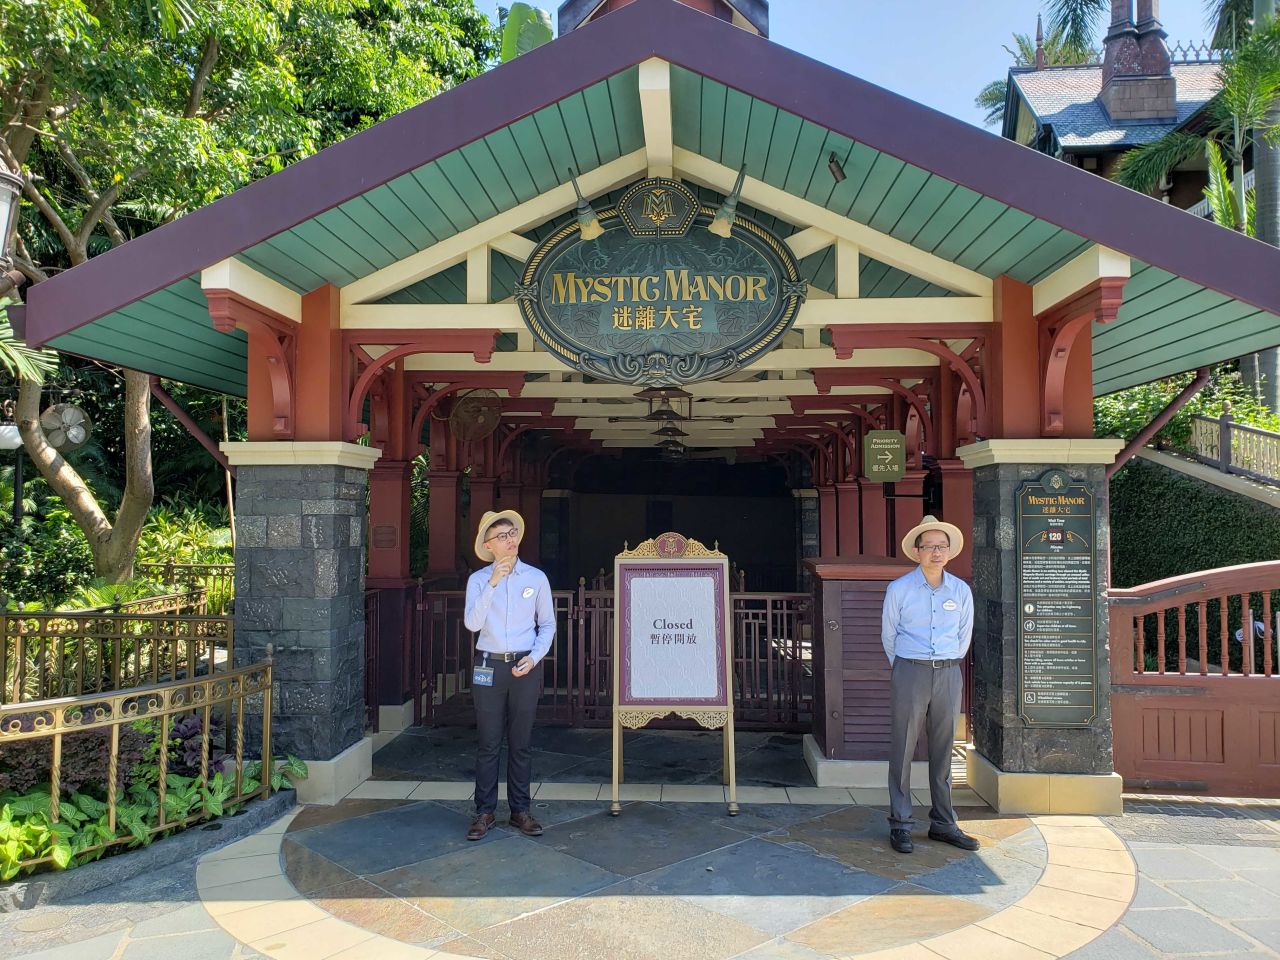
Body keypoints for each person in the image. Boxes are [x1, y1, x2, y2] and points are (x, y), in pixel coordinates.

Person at [881, 515, 979, 855]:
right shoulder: (899, 590)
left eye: (942, 546)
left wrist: (946, 663)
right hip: (910, 670)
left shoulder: (961, 591)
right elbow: (889, 637)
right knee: (903, 749)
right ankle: (901, 823)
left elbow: (963, 636)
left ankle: (943, 822)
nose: (936, 553)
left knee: (944, 750)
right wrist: (908, 667)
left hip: (949, 673)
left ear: (949, 551)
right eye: (929, 547)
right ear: (917, 551)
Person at [463, 509, 555, 841]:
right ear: (489, 546)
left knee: (521, 742)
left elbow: (547, 624)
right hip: (488, 665)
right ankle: (484, 812)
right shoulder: (478, 581)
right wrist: (493, 583)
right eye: (502, 536)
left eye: (513, 532)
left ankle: (520, 811)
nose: (511, 539)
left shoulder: (536, 578)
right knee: (488, 742)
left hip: (524, 666)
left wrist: (534, 658)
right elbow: (472, 624)